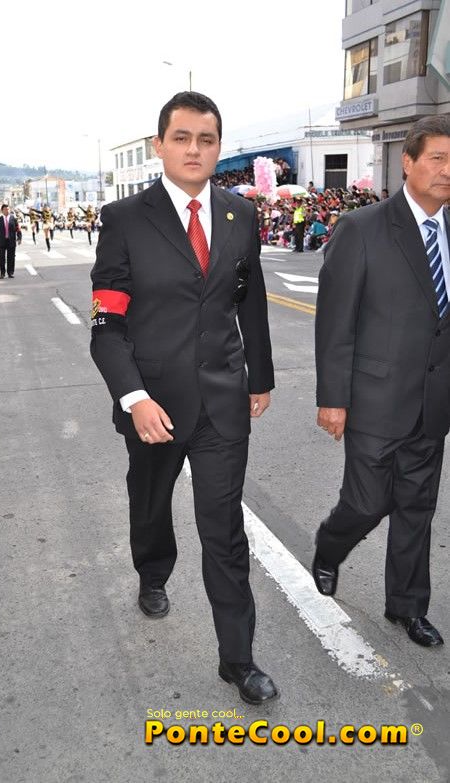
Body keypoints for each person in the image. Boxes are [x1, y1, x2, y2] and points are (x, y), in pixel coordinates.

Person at [90, 91, 278, 704]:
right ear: (160, 145)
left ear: (219, 147)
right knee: (150, 504)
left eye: (206, 139)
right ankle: (152, 571)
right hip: (155, 405)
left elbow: (249, 300)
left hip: (222, 400)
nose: (194, 149)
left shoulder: (240, 215)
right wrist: (134, 397)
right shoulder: (124, 219)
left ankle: (237, 659)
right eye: (182, 138)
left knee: (224, 530)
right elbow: (106, 326)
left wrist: (259, 376)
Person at [312, 115, 450, 648]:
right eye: (436, 158)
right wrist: (333, 399)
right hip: (374, 399)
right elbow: (335, 321)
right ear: (407, 162)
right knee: (368, 504)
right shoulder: (363, 227)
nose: (446, 170)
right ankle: (330, 545)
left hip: (433, 402)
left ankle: (408, 607)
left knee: (418, 508)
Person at [0, 204, 21, 278]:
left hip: (11, 241)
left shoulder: (13, 219)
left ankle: (10, 272)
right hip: (2, 241)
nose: (7, 211)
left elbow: (18, 229)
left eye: (8, 209)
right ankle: (2, 273)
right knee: (1, 257)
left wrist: (19, 238)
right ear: (2, 211)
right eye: (5, 209)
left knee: (11, 257)